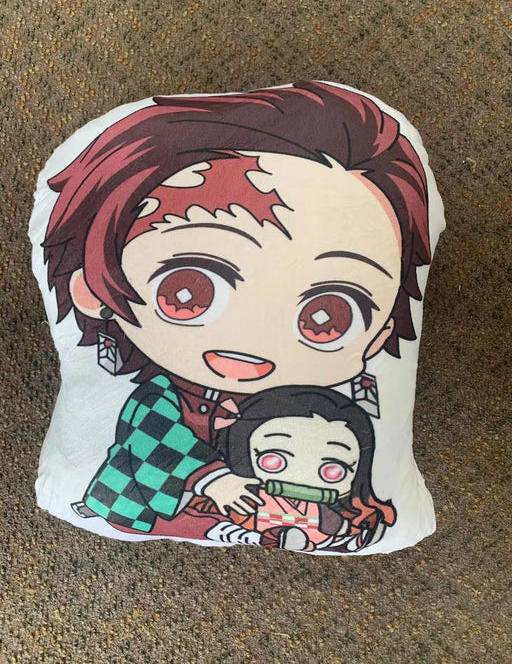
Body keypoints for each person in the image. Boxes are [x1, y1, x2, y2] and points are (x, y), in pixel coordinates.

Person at [43, 80, 431, 537]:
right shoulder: (160, 399)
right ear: (93, 289)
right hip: (137, 505)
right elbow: (152, 441)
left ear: (378, 336)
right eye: (186, 292)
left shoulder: (293, 406)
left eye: (326, 318)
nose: (251, 339)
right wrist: (213, 480)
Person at [190, 385, 396, 552]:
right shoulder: (250, 495)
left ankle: (350, 541)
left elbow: (331, 523)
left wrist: (343, 527)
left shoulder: (320, 506)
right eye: (273, 460)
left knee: (330, 531)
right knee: (227, 528)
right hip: (257, 527)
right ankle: (270, 539)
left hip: (313, 533)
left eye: (333, 470)